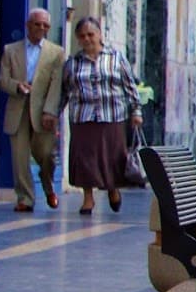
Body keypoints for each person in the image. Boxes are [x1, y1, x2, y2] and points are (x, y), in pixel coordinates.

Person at [60, 17, 142, 215]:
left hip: (112, 115)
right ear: (78, 39)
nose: (87, 39)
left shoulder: (115, 58)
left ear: (100, 35)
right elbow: (64, 91)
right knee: (85, 160)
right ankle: (88, 199)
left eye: (91, 34)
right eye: (82, 36)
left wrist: (136, 111)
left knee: (112, 158)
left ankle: (113, 190)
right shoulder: (73, 63)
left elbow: (130, 86)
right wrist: (54, 114)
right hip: (83, 117)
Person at [0, 9, 66, 212]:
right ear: (28, 25)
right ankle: (25, 198)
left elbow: (56, 85)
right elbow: (2, 80)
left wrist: (50, 111)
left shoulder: (56, 53)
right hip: (18, 108)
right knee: (19, 157)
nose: (41, 28)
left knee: (46, 154)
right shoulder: (11, 50)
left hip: (43, 111)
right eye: (37, 24)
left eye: (45, 25)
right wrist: (17, 86)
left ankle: (48, 187)